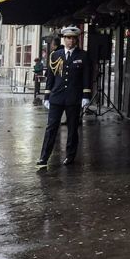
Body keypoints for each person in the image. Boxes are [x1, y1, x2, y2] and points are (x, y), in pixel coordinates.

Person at [36, 26, 92, 167]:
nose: (70, 41)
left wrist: (86, 95)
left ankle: (70, 156)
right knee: (51, 127)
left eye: (73, 38)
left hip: (73, 97)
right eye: (68, 38)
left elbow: (87, 77)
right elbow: (51, 77)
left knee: (72, 128)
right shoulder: (55, 55)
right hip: (57, 96)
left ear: (77, 40)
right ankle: (44, 157)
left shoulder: (83, 55)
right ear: (64, 39)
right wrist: (47, 96)